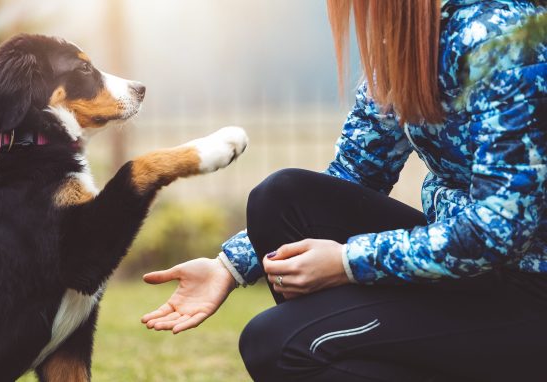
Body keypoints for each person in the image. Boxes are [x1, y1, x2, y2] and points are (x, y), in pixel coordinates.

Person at [141, 1, 547, 381]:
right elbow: (354, 174)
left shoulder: (499, 38)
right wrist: (228, 267)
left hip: (530, 290)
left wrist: (348, 261)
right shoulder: (411, 40)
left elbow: (498, 232)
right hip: (474, 273)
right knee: (281, 197)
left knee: (276, 344)